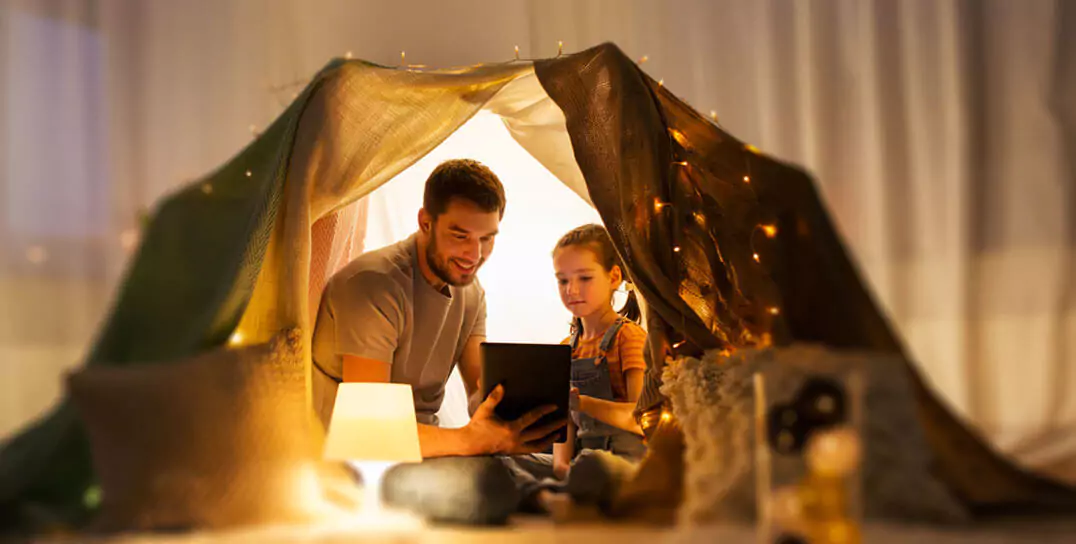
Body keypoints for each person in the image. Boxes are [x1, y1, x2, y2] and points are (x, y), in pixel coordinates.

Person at [311, 158, 565, 458]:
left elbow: (478, 393)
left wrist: (516, 414)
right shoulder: (373, 286)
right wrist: (472, 440)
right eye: (461, 236)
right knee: (503, 488)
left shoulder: (470, 292)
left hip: (430, 455)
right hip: (356, 458)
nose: (475, 254)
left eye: (487, 238)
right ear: (425, 223)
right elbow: (369, 433)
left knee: (562, 474)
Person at [550, 224, 648, 479]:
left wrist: (582, 403)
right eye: (563, 280)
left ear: (614, 277)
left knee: (595, 470)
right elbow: (566, 427)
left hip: (624, 462)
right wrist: (560, 468)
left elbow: (640, 419)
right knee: (507, 463)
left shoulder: (629, 337)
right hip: (582, 459)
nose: (571, 290)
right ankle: (557, 493)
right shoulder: (565, 349)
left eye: (584, 278)